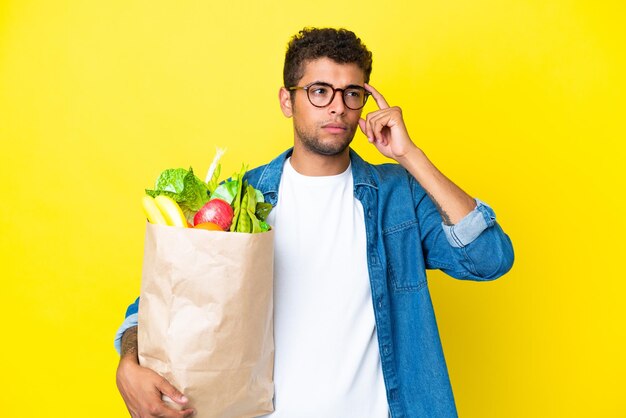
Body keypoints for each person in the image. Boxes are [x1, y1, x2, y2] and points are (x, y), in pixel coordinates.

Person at [115, 27, 514, 418]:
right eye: (319, 91)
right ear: (287, 101)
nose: (338, 107)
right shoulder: (240, 201)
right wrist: (128, 362)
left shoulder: (399, 197)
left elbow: (488, 259)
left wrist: (411, 156)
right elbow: (163, 301)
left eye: (352, 93)